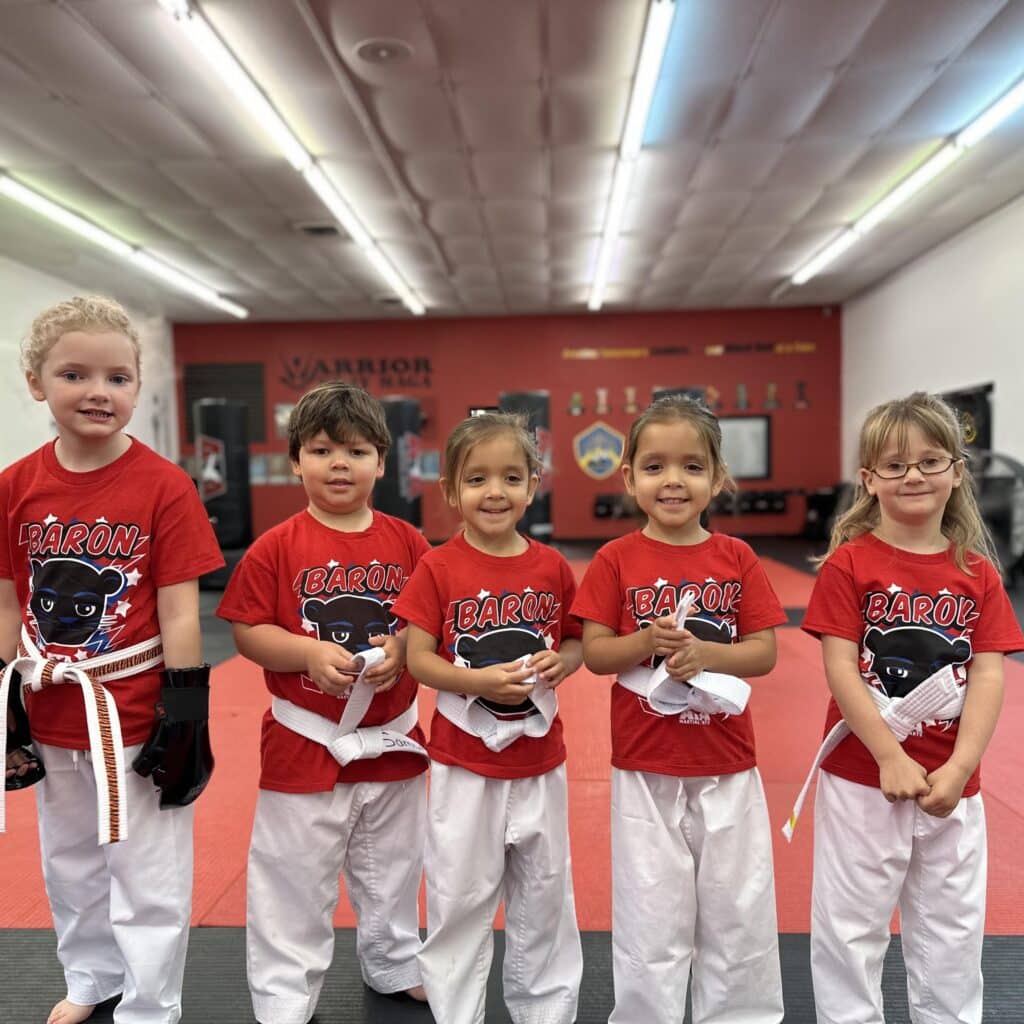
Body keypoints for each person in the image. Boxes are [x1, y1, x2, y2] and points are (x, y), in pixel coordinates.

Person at [0, 295, 223, 1024]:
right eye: (74, 374)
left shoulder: (164, 485)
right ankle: (91, 976)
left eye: (118, 378)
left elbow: (182, 607)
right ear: (36, 382)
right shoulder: (16, 486)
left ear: (137, 388)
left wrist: (185, 713)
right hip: (53, 703)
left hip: (132, 709)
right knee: (69, 858)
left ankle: (151, 1004)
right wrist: (3, 699)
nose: (99, 391)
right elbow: (9, 598)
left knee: (146, 867)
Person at [798, 391, 1024, 1024]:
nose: (914, 476)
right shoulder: (850, 565)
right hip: (865, 776)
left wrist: (961, 768)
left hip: (954, 782)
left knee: (952, 930)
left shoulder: (977, 573)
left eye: (930, 461)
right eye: (894, 466)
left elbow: (987, 675)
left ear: (957, 471)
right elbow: (841, 667)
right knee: (851, 925)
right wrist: (889, 756)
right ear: (868, 481)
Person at [217, 381, 430, 1024]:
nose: (340, 464)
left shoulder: (410, 543)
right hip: (304, 739)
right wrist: (307, 654)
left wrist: (402, 645)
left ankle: (394, 961)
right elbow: (249, 632)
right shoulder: (276, 547)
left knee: (394, 864)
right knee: (292, 878)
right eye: (323, 449)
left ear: (382, 463)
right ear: (295, 461)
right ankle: (284, 995)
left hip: (392, 738)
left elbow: (432, 623)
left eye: (358, 450)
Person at [572, 394, 785, 1024]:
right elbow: (596, 654)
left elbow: (766, 653)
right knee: (650, 907)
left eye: (692, 466)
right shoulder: (615, 559)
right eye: (656, 466)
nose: (673, 481)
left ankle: (741, 1014)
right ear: (629, 477)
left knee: (738, 906)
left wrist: (707, 654)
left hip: (728, 761)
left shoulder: (737, 558)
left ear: (718, 477)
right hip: (646, 763)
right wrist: (646, 643)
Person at [393, 411, 584, 1024]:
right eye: (476, 479)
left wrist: (564, 663)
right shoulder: (438, 568)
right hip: (463, 762)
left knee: (546, 893)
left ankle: (545, 1011)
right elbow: (419, 660)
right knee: (458, 895)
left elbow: (578, 641)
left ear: (534, 484)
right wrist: (475, 679)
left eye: (510, 477)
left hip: (539, 758)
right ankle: (457, 1012)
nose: (494, 492)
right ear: (450, 491)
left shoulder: (552, 567)